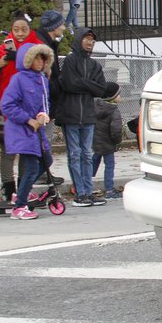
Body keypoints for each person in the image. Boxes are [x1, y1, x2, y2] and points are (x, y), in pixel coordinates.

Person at [0, 10, 41, 202]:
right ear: (11, 30)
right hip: (4, 102)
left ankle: (23, 189)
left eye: (23, 29)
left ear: (29, 30)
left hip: (28, 104)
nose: (20, 33)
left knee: (26, 149)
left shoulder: (35, 50)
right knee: (7, 150)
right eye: (16, 30)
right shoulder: (1, 51)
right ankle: (8, 188)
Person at [0, 42, 55, 220]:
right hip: (21, 129)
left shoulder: (42, 79)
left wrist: (41, 115)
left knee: (46, 159)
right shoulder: (18, 79)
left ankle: (22, 192)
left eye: (43, 58)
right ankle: (19, 206)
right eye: (37, 57)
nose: (41, 61)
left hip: (35, 130)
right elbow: (7, 105)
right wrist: (28, 119)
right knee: (32, 166)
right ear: (28, 59)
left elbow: (43, 104)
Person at [56, 27, 109, 207]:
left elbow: (101, 89)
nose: (89, 42)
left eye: (92, 40)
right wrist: (90, 84)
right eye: (86, 39)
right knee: (75, 154)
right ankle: (80, 192)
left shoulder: (95, 65)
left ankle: (88, 191)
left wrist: (84, 83)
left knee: (87, 154)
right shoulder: (70, 61)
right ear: (79, 40)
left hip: (88, 115)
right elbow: (69, 84)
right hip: (70, 115)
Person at [92, 82, 124, 199]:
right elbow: (116, 129)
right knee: (109, 166)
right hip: (108, 144)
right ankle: (109, 190)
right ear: (113, 97)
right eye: (119, 94)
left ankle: (84, 182)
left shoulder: (95, 106)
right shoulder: (114, 111)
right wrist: (117, 141)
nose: (120, 96)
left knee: (94, 160)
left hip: (96, 141)